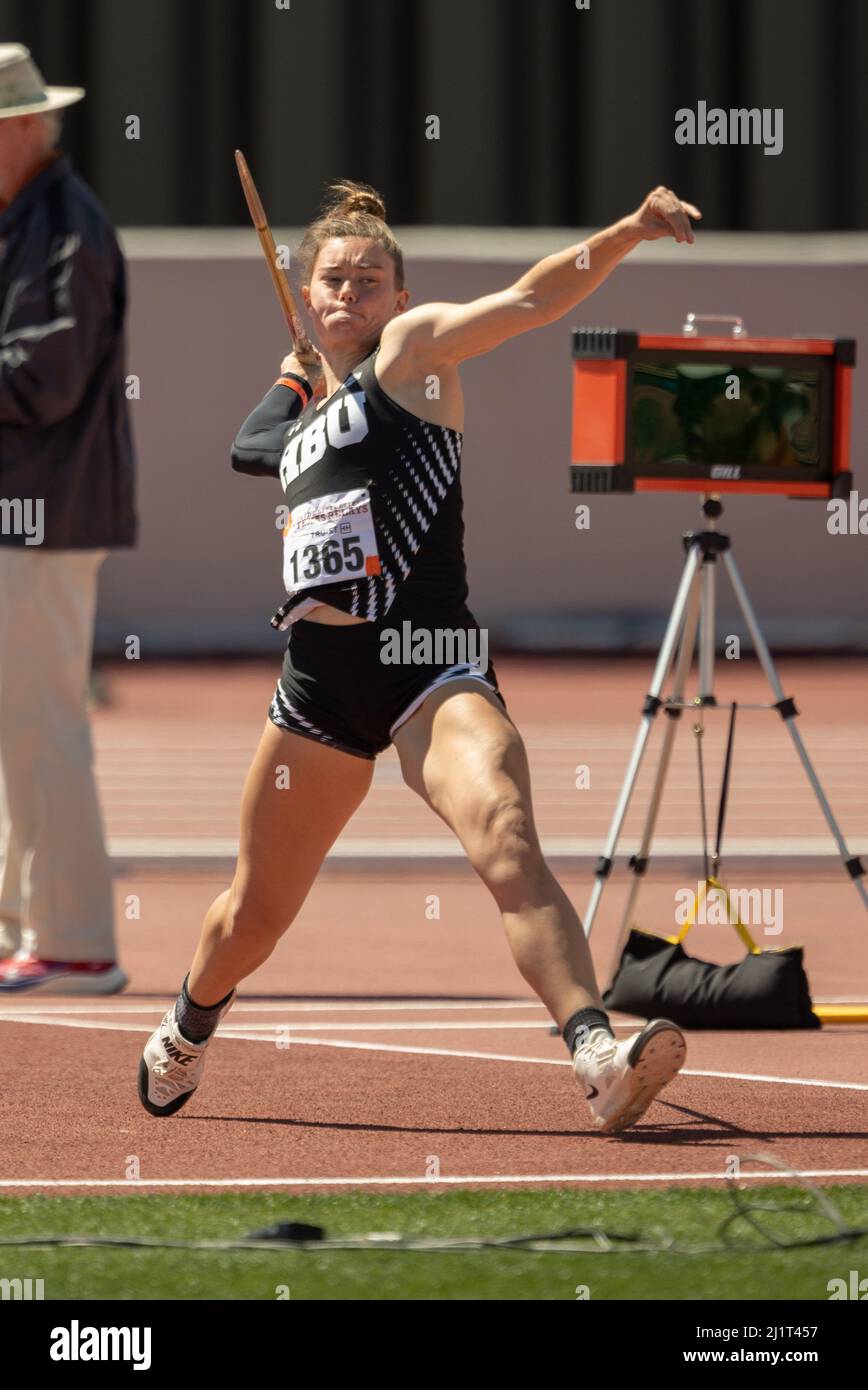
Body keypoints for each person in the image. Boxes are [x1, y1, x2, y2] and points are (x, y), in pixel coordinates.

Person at [139, 178, 701, 1133]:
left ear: (401, 297)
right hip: (317, 684)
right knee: (253, 918)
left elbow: (532, 298)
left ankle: (597, 1053)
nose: (350, 292)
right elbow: (249, 447)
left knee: (508, 834)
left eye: (370, 278)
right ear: (308, 295)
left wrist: (631, 230)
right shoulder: (306, 409)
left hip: (428, 662)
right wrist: (295, 379)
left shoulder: (413, 353)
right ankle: (192, 1021)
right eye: (333, 279)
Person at [0, 46, 137, 994]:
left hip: (43, 516)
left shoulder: (64, 224)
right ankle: (35, 929)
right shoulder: (39, 217)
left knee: (44, 723)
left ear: (14, 131)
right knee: (26, 726)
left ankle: (79, 938)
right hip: (32, 512)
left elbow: (48, 377)